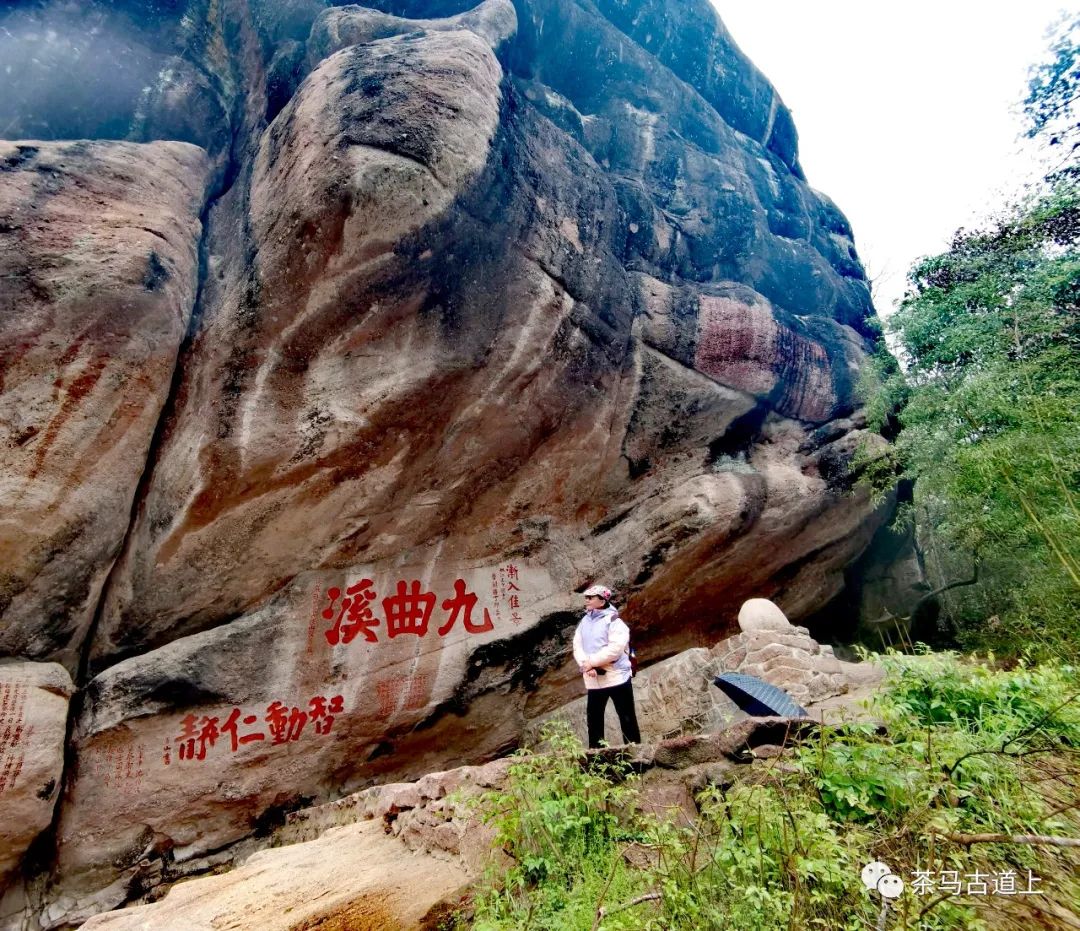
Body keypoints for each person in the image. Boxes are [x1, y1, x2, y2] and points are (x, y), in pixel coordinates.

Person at [572, 584, 641, 749]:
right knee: (594, 722)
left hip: (617, 677)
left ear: (602, 600)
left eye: (590, 597)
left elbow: (615, 650)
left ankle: (635, 758)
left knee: (627, 719)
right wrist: (585, 665)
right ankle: (596, 763)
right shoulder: (585, 621)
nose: (586, 600)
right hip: (594, 679)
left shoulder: (615, 621)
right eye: (586, 597)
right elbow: (577, 644)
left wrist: (591, 662)